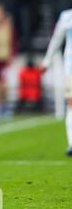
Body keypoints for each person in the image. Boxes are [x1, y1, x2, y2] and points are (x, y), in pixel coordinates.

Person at [41, 9, 72, 156]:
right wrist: (47, 60)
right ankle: (71, 144)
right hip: (70, 70)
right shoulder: (66, 17)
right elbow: (56, 40)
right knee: (71, 104)